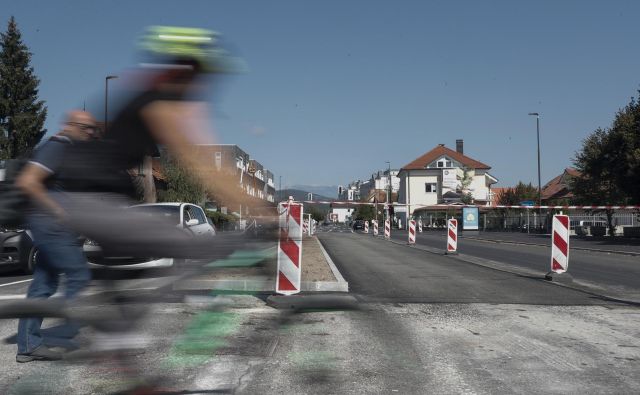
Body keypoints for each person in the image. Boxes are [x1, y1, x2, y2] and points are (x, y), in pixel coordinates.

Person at [14, 110, 98, 362]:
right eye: (86, 128)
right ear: (70, 126)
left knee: (43, 285)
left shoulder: (65, 149)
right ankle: (66, 327)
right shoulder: (56, 147)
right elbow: (28, 182)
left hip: (53, 227)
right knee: (79, 275)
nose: (91, 133)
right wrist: (58, 211)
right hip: (50, 226)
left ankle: (28, 344)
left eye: (93, 128)